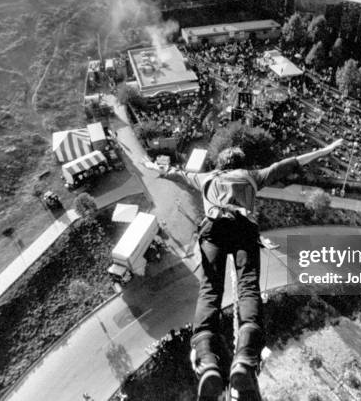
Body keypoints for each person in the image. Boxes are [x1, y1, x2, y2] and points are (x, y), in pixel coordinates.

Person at [143, 139, 344, 397]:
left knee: (210, 290)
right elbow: (287, 165)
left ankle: (207, 362)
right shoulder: (251, 175)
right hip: (243, 227)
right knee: (248, 287)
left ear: (220, 164)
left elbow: (175, 174)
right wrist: (325, 151)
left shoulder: (206, 177)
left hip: (213, 229)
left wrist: (151, 165)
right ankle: (246, 360)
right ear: (240, 164)